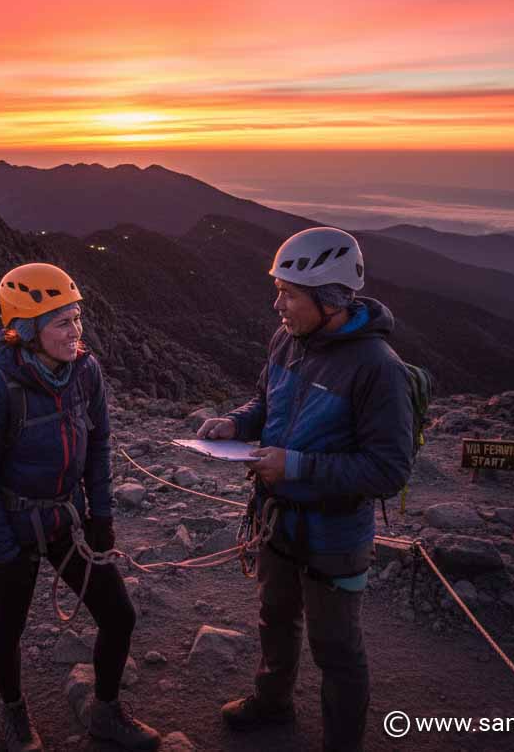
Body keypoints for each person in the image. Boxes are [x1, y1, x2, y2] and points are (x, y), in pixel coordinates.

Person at [198, 227, 414, 752]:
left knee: (336, 647)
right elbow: (266, 403)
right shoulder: (287, 340)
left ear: (329, 299)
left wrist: (294, 465)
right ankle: (272, 702)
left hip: (335, 534)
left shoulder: (378, 369)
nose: (277, 305)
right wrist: (235, 423)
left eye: (288, 294)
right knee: (275, 616)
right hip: (277, 517)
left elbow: (388, 470)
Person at [0, 262, 160, 752]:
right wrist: (2, 550)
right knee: (8, 629)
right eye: (62, 322)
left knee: (119, 616)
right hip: (15, 528)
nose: (76, 332)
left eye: (77, 318)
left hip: (68, 521)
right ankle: (14, 713)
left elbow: (100, 442)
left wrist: (101, 515)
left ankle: (106, 713)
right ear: (27, 331)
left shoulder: (85, 373)